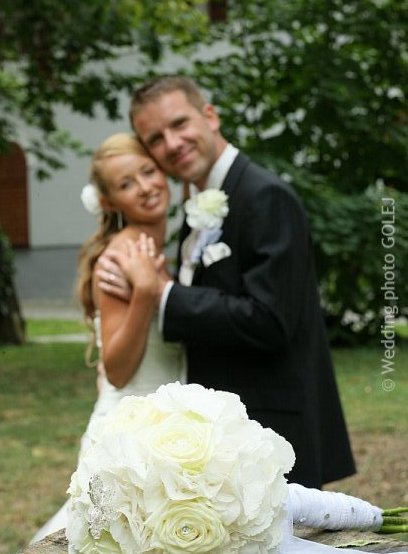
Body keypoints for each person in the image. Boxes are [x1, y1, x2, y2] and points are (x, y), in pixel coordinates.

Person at [99, 75, 355, 488]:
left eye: (179, 124)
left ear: (210, 116)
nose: (172, 143)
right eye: (156, 138)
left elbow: (270, 320)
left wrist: (162, 294)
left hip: (273, 431)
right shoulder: (198, 208)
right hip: (227, 437)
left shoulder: (265, 196)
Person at [31, 133, 185, 542]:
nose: (145, 187)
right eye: (126, 184)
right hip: (127, 433)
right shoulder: (120, 258)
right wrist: (145, 294)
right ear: (110, 202)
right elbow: (116, 369)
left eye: (148, 171)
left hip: (166, 424)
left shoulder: (158, 248)